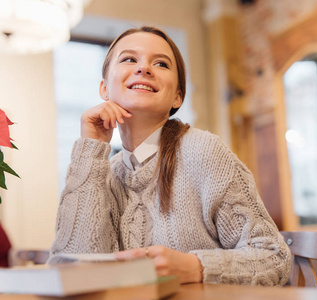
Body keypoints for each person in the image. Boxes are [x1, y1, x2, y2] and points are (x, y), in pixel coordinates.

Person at [49, 26, 291, 286]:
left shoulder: (204, 151)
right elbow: (70, 269)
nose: (144, 68)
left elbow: (274, 257)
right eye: (130, 59)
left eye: (161, 63)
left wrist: (195, 267)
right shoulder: (101, 172)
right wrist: (90, 151)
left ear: (177, 96)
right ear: (104, 88)